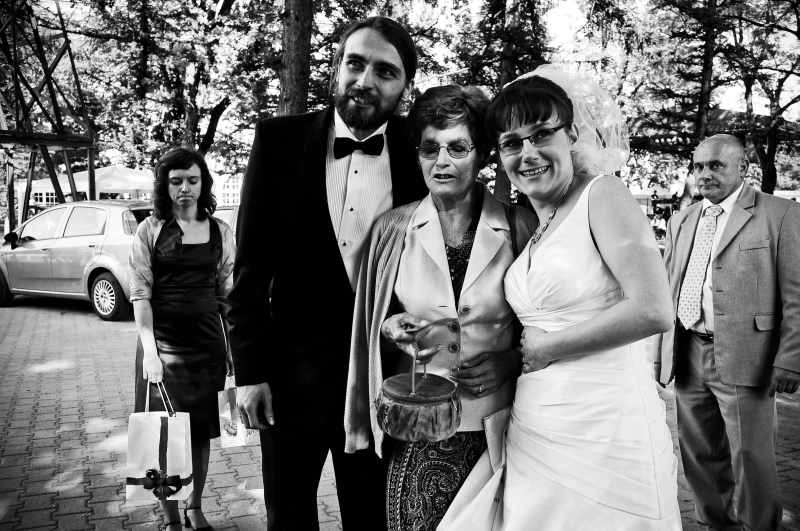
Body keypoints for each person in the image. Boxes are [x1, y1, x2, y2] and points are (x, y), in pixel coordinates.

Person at [438, 67, 681, 529]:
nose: (528, 153)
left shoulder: (602, 194)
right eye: (512, 143)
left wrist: (547, 347)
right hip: (536, 427)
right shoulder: (536, 226)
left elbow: (653, 309)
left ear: (570, 136)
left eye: (541, 134)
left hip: (605, 431)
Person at [227, 16, 428, 531]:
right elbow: (249, 273)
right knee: (288, 517)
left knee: (372, 518)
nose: (365, 80)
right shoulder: (277, 141)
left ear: (405, 87)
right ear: (337, 68)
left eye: (385, 71)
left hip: (379, 383)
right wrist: (249, 374)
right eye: (355, 63)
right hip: (287, 383)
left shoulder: (421, 153)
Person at [343, 84, 537, 531]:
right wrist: (391, 327)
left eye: (457, 148)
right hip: (417, 422)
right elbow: (371, 322)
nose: (441, 161)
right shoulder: (392, 228)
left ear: (482, 155)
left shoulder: (520, 224)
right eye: (430, 148)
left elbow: (545, 324)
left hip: (501, 424)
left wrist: (511, 360)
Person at [654, 134, 800, 531]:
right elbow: (669, 287)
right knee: (698, 453)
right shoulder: (683, 219)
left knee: (750, 457)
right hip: (688, 351)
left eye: (716, 165)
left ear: (742, 168)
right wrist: (660, 353)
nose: (704, 174)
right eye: (698, 166)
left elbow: (796, 294)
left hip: (749, 354)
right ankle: (716, 525)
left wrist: (790, 358)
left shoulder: (781, 214)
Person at [129, 147, 236, 531]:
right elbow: (140, 294)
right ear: (165, 185)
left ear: (204, 183)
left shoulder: (221, 231)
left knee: (201, 435)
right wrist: (150, 351)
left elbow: (228, 294)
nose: (185, 188)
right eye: (176, 181)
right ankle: (171, 516)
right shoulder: (150, 229)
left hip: (207, 347)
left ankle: (195, 507)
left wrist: (233, 348)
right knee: (165, 436)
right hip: (163, 349)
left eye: (193, 180)